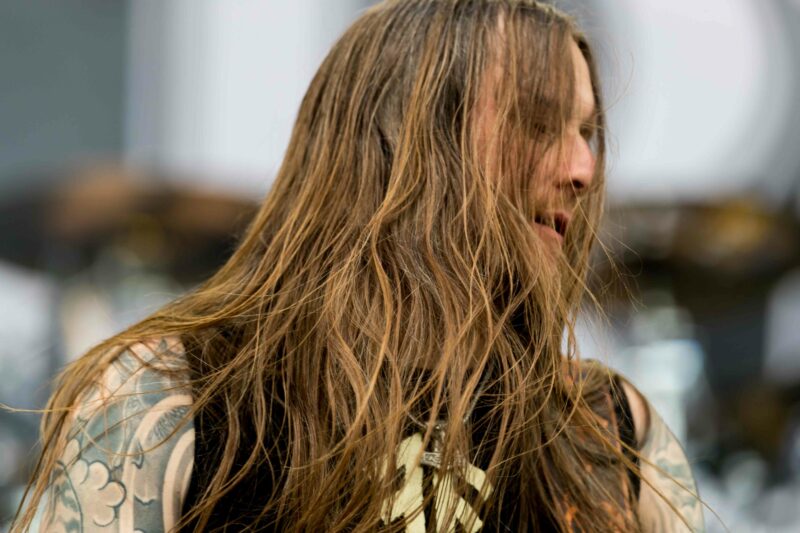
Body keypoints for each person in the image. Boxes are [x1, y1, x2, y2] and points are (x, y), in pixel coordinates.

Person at [12, 1, 706, 531]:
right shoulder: (174, 395)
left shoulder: (610, 431)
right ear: (403, 138)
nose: (584, 169)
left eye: (588, 133)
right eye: (538, 121)